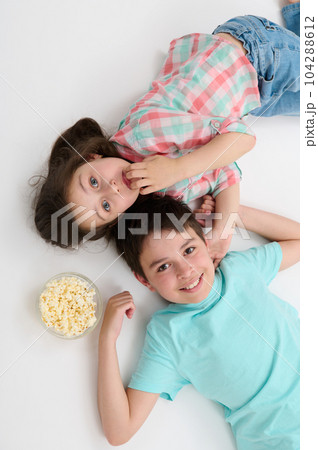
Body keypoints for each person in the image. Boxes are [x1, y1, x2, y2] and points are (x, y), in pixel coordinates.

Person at [33, 2, 300, 259]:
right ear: (117, 218)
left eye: (93, 182)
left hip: (253, 52)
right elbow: (225, 173)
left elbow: (241, 139)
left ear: (91, 157)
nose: (111, 189)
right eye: (106, 206)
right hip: (252, 95)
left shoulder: (143, 133)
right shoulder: (164, 190)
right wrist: (222, 233)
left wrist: (177, 169)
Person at [98, 195, 300, 449]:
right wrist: (107, 340)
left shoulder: (240, 268)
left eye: (189, 250)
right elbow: (119, 432)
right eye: (163, 267)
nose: (185, 271)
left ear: (205, 243)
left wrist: (229, 216)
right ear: (144, 281)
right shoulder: (168, 336)